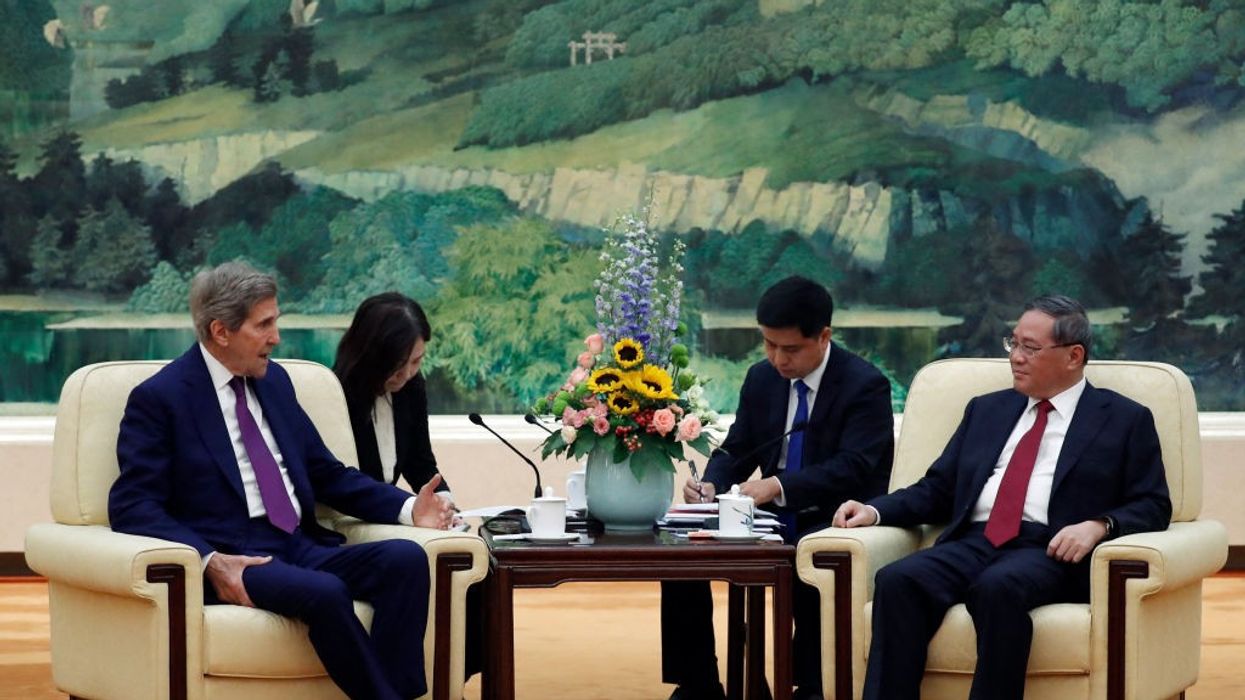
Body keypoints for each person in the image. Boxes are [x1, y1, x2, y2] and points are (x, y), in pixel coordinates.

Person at [108, 262, 455, 700]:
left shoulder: (275, 381)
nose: (276, 337)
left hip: (299, 543)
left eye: (276, 322)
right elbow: (133, 504)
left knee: (405, 561)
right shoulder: (161, 398)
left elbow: (326, 473)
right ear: (221, 331)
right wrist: (209, 561)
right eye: (265, 325)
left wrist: (408, 508)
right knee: (327, 592)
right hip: (239, 558)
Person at [833, 294, 1172, 700]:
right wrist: (873, 510)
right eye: (1014, 344)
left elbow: (1154, 503)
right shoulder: (987, 409)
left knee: (998, 588)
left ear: (1073, 355)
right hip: (975, 540)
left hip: (1048, 549)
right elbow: (938, 489)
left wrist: (1099, 526)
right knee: (898, 580)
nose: (1016, 357)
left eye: (1030, 347)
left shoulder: (1123, 418)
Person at [662, 276, 896, 700]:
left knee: (814, 552)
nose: (777, 359)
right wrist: (712, 483)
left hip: (834, 516)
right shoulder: (762, 378)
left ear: (824, 336)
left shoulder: (865, 385)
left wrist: (777, 486)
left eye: (789, 349)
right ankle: (698, 684)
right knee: (680, 556)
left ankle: (810, 686)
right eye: (768, 345)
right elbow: (739, 447)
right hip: (767, 514)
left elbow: (854, 468)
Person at [333, 291, 484, 679]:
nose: (407, 374)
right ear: (372, 356)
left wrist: (447, 505)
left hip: (395, 513)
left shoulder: (411, 388)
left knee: (481, 559)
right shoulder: (336, 394)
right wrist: (412, 509)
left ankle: (455, 678)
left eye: (416, 362)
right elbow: (343, 484)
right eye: (398, 366)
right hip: (349, 519)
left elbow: (420, 463)